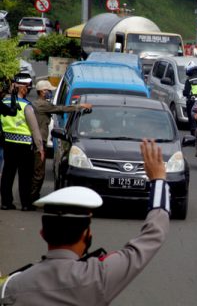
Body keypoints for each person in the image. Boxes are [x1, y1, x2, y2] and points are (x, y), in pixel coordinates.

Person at [0, 139, 170, 305]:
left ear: (43, 233)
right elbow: (153, 234)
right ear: (86, 234)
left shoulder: (12, 286)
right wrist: (158, 180)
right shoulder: (98, 276)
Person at [31, 80, 93, 201]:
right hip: (39, 142)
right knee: (38, 173)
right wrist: (80, 106)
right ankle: (32, 198)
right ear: (42, 92)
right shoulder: (42, 104)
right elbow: (60, 108)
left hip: (34, 140)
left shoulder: (36, 103)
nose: (50, 93)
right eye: (49, 91)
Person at [0, 77, 44, 211]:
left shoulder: (3, 102)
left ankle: (6, 202)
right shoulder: (26, 105)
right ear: (23, 89)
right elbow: (34, 129)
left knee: (8, 173)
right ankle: (26, 204)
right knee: (25, 175)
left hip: (8, 142)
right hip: (24, 144)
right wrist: (40, 147)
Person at [183, 61, 197, 135]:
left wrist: (184, 93)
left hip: (192, 102)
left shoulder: (189, 80)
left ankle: (194, 136)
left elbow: (186, 92)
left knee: (192, 119)